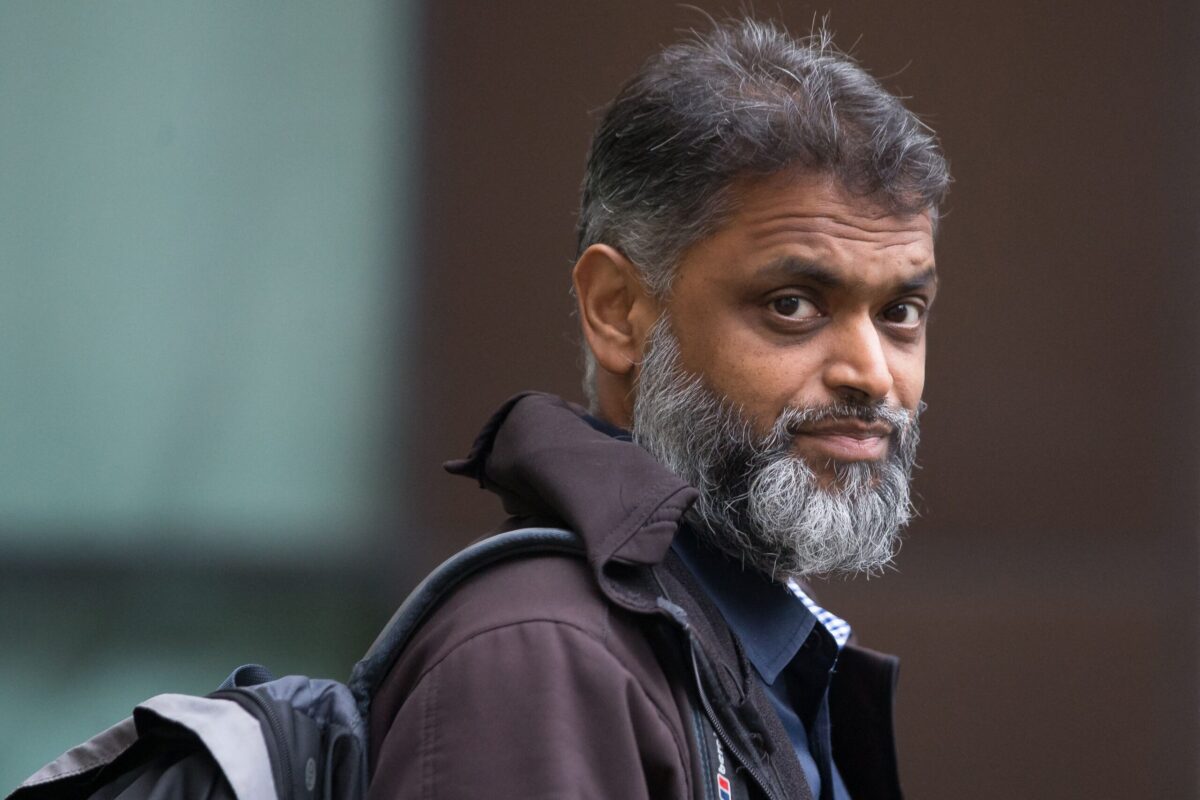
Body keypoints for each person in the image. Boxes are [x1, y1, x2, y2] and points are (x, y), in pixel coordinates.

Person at [368, 17, 948, 800]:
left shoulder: (751, 658)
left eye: (900, 312)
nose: (872, 376)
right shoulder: (541, 655)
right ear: (617, 311)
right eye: (791, 304)